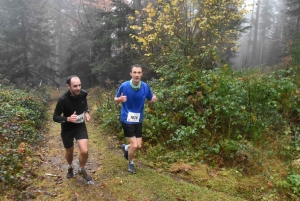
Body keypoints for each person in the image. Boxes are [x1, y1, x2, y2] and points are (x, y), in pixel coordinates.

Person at [114, 64, 157, 173]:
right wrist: (120, 99)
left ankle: (126, 148)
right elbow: (115, 99)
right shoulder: (124, 86)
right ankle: (130, 163)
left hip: (138, 119)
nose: (137, 75)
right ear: (131, 74)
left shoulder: (145, 87)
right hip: (126, 118)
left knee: (138, 145)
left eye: (139, 72)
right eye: (135, 72)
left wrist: (153, 100)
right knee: (134, 145)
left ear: (142, 74)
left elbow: (150, 100)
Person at [53, 75, 92, 182]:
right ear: (68, 86)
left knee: (84, 151)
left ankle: (81, 168)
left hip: (80, 125)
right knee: (69, 151)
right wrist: (68, 119)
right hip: (67, 128)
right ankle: (70, 167)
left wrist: (87, 112)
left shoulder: (83, 93)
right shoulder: (63, 99)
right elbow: (55, 117)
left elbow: (84, 104)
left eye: (79, 85)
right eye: (75, 86)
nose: (78, 88)